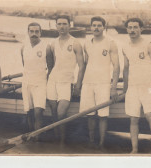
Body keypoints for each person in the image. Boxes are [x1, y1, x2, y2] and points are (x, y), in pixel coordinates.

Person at [122, 18, 151, 154]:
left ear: (141, 29)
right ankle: (134, 150)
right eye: (130, 27)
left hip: (148, 86)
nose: (132, 30)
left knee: (150, 116)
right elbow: (126, 69)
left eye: (135, 27)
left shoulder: (148, 45)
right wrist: (125, 88)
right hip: (133, 87)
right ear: (127, 29)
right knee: (133, 119)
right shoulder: (125, 47)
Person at [79, 16, 120, 149]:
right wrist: (78, 83)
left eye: (99, 25)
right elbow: (85, 64)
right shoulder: (86, 43)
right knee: (90, 114)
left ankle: (101, 143)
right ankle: (91, 141)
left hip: (103, 83)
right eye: (94, 25)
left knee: (103, 115)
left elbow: (117, 66)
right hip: (88, 83)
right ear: (91, 27)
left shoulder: (110, 42)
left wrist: (113, 88)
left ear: (104, 27)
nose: (96, 28)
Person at [46, 15, 85, 145]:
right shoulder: (52, 43)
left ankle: (62, 141)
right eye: (59, 24)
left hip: (67, 82)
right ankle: (57, 139)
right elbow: (50, 66)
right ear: (56, 26)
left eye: (64, 24)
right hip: (52, 81)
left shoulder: (75, 43)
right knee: (53, 112)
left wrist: (78, 85)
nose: (62, 27)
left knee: (61, 113)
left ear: (69, 25)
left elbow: (82, 66)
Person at [21, 22, 51, 140]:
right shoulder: (23, 47)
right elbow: (25, 65)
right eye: (31, 31)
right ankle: (31, 137)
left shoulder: (46, 47)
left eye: (36, 31)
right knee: (29, 112)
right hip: (27, 82)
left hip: (40, 83)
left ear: (40, 33)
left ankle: (37, 137)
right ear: (28, 32)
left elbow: (50, 66)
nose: (34, 34)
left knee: (38, 112)